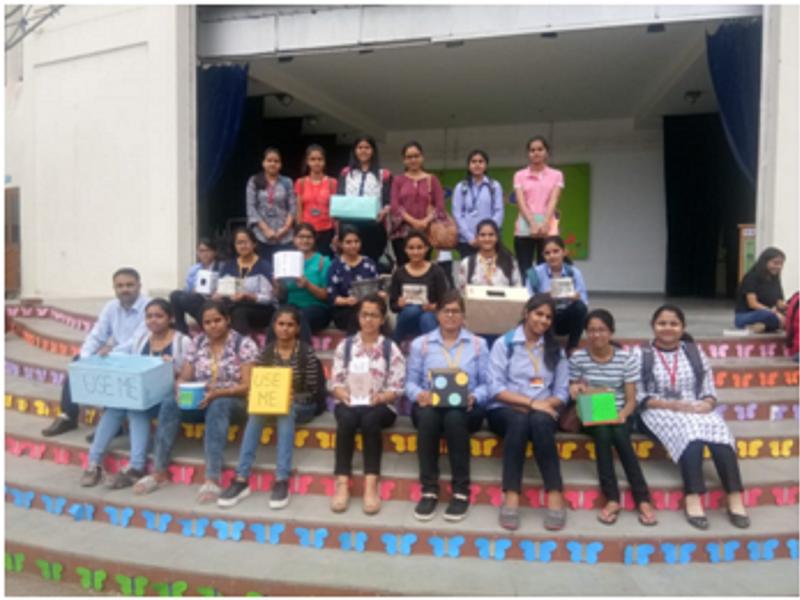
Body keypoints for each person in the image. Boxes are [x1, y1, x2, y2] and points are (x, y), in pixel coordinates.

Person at [133, 301, 260, 503]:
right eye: (207, 322)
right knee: (170, 403)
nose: (213, 326)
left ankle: (212, 478)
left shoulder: (243, 344)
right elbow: (185, 376)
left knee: (218, 405)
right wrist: (181, 390)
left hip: (234, 400)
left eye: (217, 320)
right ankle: (159, 471)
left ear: (227, 320)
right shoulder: (198, 342)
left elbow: (248, 385)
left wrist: (217, 393)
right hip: (202, 398)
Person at [637, 304, 750, 530]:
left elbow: (708, 387)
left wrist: (707, 404)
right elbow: (638, 394)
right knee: (691, 435)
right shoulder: (641, 354)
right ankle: (693, 497)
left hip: (695, 406)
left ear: (683, 327)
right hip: (658, 408)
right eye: (662, 323)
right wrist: (671, 405)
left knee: (720, 433)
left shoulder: (694, 352)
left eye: (674, 324)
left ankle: (735, 496)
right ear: (652, 326)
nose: (668, 328)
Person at [217, 306, 323, 510]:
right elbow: (260, 384)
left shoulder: (306, 352)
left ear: (298, 328)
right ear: (274, 326)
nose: (285, 329)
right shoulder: (266, 352)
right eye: (281, 324)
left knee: (286, 409)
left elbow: (312, 390)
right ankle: (241, 478)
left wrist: (290, 394)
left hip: (301, 405)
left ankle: (282, 478)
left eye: (290, 325)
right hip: (271, 404)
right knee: (256, 411)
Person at [80, 299, 192, 488]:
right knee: (115, 405)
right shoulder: (141, 338)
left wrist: (172, 368)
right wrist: (108, 353)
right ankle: (94, 462)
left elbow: (190, 374)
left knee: (136, 408)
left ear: (171, 318)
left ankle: (136, 466)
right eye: (149, 316)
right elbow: (124, 354)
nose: (153, 320)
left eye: (159, 316)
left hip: (169, 395)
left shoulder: (182, 341)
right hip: (143, 392)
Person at [405, 291, 490, 522]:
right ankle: (429, 489)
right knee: (429, 417)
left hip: (466, 408)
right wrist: (419, 394)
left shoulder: (478, 344)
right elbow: (410, 383)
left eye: (456, 311)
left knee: (454, 417)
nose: (451, 316)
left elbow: (487, 384)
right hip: (430, 405)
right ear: (437, 314)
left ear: (463, 315)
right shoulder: (421, 344)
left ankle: (461, 491)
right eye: (446, 311)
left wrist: (474, 396)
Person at [487, 295, 569, 531]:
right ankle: (511, 495)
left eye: (548, 317)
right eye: (538, 314)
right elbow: (495, 389)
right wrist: (532, 403)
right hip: (505, 409)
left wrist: (542, 405)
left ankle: (555, 493)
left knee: (540, 422)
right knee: (519, 421)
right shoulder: (505, 344)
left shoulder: (555, 349)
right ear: (526, 313)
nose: (543, 320)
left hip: (542, 410)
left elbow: (562, 392)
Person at [568, 309, 657, 526]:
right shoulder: (578, 358)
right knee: (602, 432)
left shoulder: (626, 359)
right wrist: (576, 389)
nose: (596, 335)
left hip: (619, 412)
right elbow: (572, 390)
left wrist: (621, 415)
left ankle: (642, 498)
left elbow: (631, 400)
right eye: (591, 330)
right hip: (591, 412)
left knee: (618, 434)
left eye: (601, 330)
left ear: (611, 332)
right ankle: (612, 498)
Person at [42, 268, 150, 437]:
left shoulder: (149, 307)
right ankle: (68, 416)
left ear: (139, 286)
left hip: (140, 356)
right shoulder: (111, 307)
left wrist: (111, 354)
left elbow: (138, 340)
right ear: (114, 288)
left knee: (113, 367)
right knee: (77, 361)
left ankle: (113, 424)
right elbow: (97, 334)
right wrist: (85, 357)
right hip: (116, 355)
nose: (125, 289)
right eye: (120, 286)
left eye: (130, 285)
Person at [329, 294, 405, 515]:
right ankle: (342, 483)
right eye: (364, 315)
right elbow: (336, 382)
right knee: (347, 419)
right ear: (358, 317)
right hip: (349, 401)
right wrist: (343, 394)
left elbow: (397, 387)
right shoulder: (346, 346)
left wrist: (380, 398)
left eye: (374, 315)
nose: (369, 320)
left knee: (370, 420)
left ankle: (371, 484)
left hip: (381, 404)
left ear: (382, 319)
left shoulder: (390, 348)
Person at [336, 136, 392, 268]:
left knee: (371, 262)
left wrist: (384, 212)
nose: (363, 151)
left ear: (373, 150)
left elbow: (388, 201)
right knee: (349, 262)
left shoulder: (384, 174)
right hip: (349, 226)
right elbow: (340, 197)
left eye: (367, 147)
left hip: (373, 227)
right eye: (360, 147)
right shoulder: (346, 173)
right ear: (355, 150)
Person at [526, 235, 588, 354]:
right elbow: (528, 303)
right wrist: (545, 297)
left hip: (566, 317)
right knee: (536, 312)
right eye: (547, 253)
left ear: (564, 252)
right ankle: (543, 343)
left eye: (556, 251)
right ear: (543, 256)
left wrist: (576, 297)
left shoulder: (574, 272)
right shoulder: (535, 273)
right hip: (544, 317)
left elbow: (584, 302)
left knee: (580, 308)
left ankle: (572, 346)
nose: (552, 256)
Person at [513, 136, 565, 276]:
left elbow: (554, 200)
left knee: (548, 267)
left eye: (540, 149)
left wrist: (545, 222)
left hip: (548, 227)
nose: (536, 153)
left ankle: (544, 292)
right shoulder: (519, 175)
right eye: (532, 150)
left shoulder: (557, 175)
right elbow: (521, 202)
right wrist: (532, 223)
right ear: (528, 153)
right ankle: (528, 291)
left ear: (546, 152)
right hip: (525, 226)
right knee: (525, 269)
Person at [389, 141, 446, 267]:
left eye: (416, 156)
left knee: (424, 269)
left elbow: (440, 207)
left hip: (426, 233)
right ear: (404, 160)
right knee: (404, 269)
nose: (413, 160)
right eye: (409, 157)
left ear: (422, 157)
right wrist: (414, 222)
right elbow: (395, 206)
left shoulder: (432, 180)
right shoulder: (398, 180)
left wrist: (425, 221)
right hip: (402, 234)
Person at [273, 223, 332, 340]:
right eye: (301, 237)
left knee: (299, 318)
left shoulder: (323, 261)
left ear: (314, 239)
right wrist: (277, 285)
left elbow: (326, 295)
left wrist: (307, 285)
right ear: (294, 239)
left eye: (309, 237)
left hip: (317, 307)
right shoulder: (286, 261)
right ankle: (273, 351)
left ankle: (303, 351)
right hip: (292, 305)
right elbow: (280, 296)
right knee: (278, 317)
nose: (305, 240)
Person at [389, 230, 449, 343]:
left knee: (426, 317)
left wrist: (433, 307)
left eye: (419, 248)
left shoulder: (436, 271)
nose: (415, 252)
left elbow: (445, 301)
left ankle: (434, 348)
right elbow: (393, 306)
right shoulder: (399, 273)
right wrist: (399, 304)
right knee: (412, 310)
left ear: (426, 248)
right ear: (405, 250)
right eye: (411, 248)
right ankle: (396, 342)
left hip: (430, 317)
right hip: (407, 318)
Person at [215, 227, 276, 337]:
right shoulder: (228, 266)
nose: (242, 246)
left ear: (254, 244)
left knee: (239, 311)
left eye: (246, 242)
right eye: (239, 243)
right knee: (210, 307)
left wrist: (248, 295)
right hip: (232, 306)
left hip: (260, 310)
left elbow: (269, 299)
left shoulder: (264, 266)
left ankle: (242, 344)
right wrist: (218, 295)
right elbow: (220, 291)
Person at [327, 224, 382, 333]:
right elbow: (332, 298)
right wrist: (347, 301)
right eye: (348, 242)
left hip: (368, 307)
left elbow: (377, 287)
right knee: (357, 316)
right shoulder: (335, 266)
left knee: (374, 314)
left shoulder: (368, 263)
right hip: (346, 310)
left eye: (356, 241)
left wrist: (381, 294)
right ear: (340, 244)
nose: (353, 245)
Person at [246, 147, 297, 263]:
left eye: (276, 161)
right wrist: (266, 230)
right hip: (261, 236)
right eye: (269, 160)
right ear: (263, 163)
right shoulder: (254, 181)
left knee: (284, 269)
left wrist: (284, 229)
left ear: (280, 164)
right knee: (264, 270)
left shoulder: (287, 182)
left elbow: (293, 208)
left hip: (284, 236)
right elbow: (251, 208)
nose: (273, 164)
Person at [452, 150, 504, 261]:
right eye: (473, 161)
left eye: (481, 161)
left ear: (486, 165)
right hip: (467, 241)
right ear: (468, 165)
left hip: (489, 241)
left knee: (490, 270)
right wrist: (470, 237)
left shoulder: (494, 186)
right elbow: (457, 214)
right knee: (468, 270)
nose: (477, 164)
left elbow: (498, 211)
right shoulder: (461, 187)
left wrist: (488, 235)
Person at [170, 238, 222, 334]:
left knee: (189, 298)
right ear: (197, 253)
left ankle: (206, 325)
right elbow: (187, 289)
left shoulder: (222, 267)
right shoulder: (194, 269)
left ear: (214, 252)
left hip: (214, 300)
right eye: (201, 251)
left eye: (208, 250)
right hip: (197, 299)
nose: (204, 254)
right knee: (175, 295)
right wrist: (193, 290)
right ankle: (181, 329)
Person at [295, 144, 337, 257]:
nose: (316, 163)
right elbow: (298, 211)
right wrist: (298, 233)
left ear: (324, 161)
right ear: (307, 161)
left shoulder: (332, 183)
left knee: (325, 262)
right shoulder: (300, 182)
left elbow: (336, 211)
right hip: (306, 233)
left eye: (320, 159)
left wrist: (337, 234)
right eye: (313, 159)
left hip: (327, 231)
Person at [456, 219, 521, 291]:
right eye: (482, 235)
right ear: (476, 238)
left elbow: (518, 289)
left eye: (491, 235)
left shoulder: (510, 261)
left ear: (497, 237)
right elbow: (461, 292)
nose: (487, 239)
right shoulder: (467, 263)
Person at [734, 247, 787, 333]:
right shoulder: (751, 277)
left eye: (781, 264)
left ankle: (763, 326)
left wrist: (784, 306)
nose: (779, 267)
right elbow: (752, 303)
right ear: (765, 262)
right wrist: (773, 312)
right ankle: (769, 325)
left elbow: (779, 300)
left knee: (792, 314)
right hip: (748, 315)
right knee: (768, 315)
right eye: (775, 263)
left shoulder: (775, 279)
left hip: (770, 313)